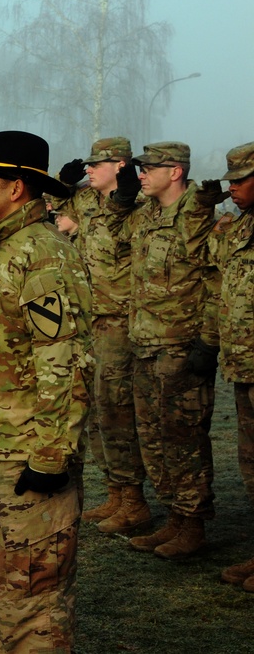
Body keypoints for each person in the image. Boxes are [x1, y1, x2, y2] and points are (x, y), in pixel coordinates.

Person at [0, 131, 93, 653]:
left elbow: (65, 360)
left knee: (33, 600)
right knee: (0, 594)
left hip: (29, 455)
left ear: (17, 188)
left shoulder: (43, 254)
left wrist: (52, 456)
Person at [106, 142, 222, 559]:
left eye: (149, 168)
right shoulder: (146, 216)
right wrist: (120, 201)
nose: (141, 175)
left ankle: (192, 525)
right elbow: (112, 236)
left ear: (175, 172)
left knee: (184, 440)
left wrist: (208, 341)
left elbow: (214, 281)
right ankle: (173, 516)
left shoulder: (196, 215)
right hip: (145, 344)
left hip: (180, 347)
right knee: (153, 439)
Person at [51, 138, 151, 535]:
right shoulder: (87, 203)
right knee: (94, 413)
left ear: (121, 165)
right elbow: (57, 205)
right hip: (89, 320)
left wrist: (124, 199)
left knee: (116, 412)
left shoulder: (139, 205)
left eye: (99, 163)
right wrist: (62, 183)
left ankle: (134, 500)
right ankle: (115, 491)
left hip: (120, 319)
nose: (90, 169)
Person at [210, 141, 254, 593]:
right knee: (251, 466)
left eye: (240, 179)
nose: (231, 187)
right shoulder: (239, 230)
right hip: (243, 365)